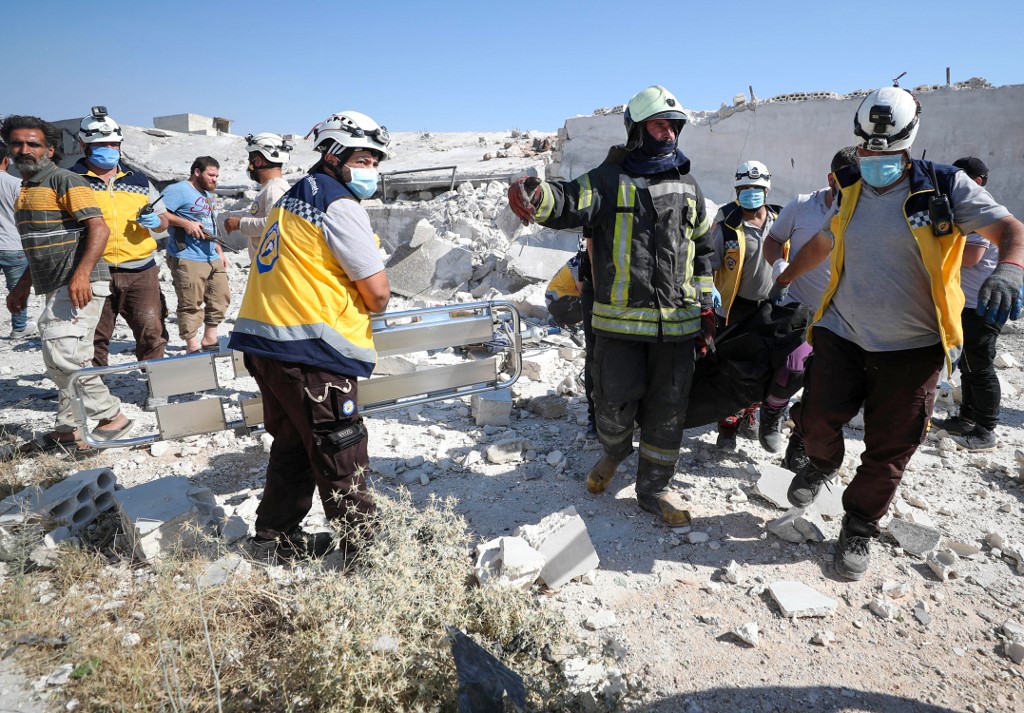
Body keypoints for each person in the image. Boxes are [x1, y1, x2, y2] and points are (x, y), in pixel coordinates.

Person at [770, 86, 1024, 580]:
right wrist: (784, 278)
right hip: (842, 333)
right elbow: (824, 241)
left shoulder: (945, 187)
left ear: (908, 140)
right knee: (817, 420)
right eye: (867, 148)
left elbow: (1011, 228)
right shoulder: (849, 185)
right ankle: (822, 464)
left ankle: (859, 527)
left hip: (914, 348)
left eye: (885, 150)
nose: (874, 158)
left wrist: (1010, 268)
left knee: (890, 448)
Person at [507, 85, 714, 525]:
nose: (669, 134)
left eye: (674, 127)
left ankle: (654, 489)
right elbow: (566, 201)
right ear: (638, 130)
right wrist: (537, 195)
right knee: (613, 405)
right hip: (619, 328)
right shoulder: (607, 180)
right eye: (660, 125)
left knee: (668, 413)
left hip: (676, 327)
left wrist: (705, 299)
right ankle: (614, 453)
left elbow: (703, 245)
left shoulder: (689, 186)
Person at [228, 110, 392, 561]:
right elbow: (377, 294)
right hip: (312, 353)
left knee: (296, 444)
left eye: (376, 160)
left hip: (267, 346)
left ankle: (271, 540)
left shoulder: (292, 197)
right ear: (334, 154)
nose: (371, 169)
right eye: (363, 158)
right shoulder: (339, 204)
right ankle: (363, 557)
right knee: (342, 454)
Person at [1, 115, 133, 453]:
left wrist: (81, 274)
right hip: (55, 284)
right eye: (18, 143)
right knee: (61, 356)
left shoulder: (64, 180)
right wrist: (22, 287)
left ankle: (111, 417)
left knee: (63, 352)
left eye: (33, 144)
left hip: (79, 283)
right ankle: (68, 429)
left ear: (50, 149)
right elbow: (37, 245)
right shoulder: (27, 189)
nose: (25, 149)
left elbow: (98, 228)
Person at [762, 147, 858, 466]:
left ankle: (798, 446)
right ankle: (772, 412)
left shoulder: (868, 209)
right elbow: (773, 240)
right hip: (800, 309)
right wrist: (779, 267)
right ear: (832, 179)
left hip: (842, 316)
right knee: (792, 371)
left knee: (826, 389)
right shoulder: (803, 206)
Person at [68, 108, 170, 370]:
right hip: (94, 272)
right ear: (84, 146)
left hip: (141, 271)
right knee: (94, 338)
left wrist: (156, 222)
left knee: (152, 334)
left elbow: (163, 220)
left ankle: (156, 388)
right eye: (101, 145)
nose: (109, 149)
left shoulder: (139, 180)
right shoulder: (70, 180)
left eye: (113, 143)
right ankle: (96, 394)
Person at [931, 157, 1003, 451]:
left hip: (982, 305)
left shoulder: (980, 212)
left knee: (981, 365)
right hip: (967, 303)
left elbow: (971, 257)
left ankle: (986, 429)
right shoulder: (967, 210)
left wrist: (932, 252)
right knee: (969, 366)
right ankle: (967, 418)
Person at [710, 160, 783, 452]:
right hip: (733, 309)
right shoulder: (727, 224)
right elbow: (708, 262)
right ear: (736, 190)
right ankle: (727, 426)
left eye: (757, 188)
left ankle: (750, 413)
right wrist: (710, 292)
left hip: (767, 306)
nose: (751, 193)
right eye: (744, 188)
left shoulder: (778, 221)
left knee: (763, 368)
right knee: (729, 368)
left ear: (767, 189)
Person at [164, 156, 229, 354]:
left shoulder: (207, 194)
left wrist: (219, 250)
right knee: (190, 302)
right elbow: (158, 214)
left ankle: (210, 339)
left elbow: (211, 226)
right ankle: (192, 346)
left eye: (217, 176)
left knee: (221, 297)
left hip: (211, 256)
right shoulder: (177, 190)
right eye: (211, 175)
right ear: (197, 172)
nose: (215, 179)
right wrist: (186, 224)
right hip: (187, 255)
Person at [224, 133, 292, 261]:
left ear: (258, 161)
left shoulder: (274, 189)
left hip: (270, 270)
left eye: (251, 161)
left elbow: (275, 224)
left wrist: (240, 223)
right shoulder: (273, 187)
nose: (250, 165)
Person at [0, 142, 28, 338]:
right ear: (6, 160)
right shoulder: (16, 184)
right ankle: (19, 328)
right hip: (12, 244)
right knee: (17, 288)